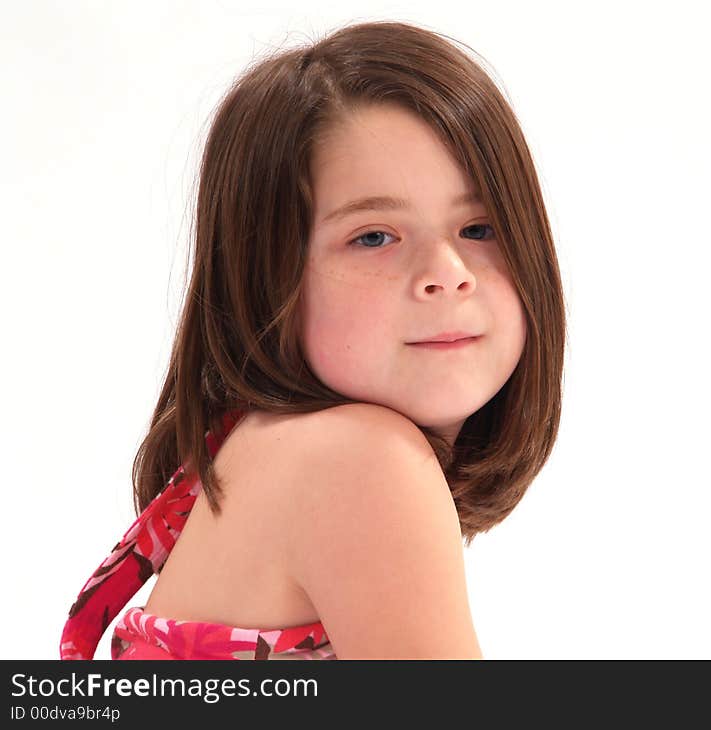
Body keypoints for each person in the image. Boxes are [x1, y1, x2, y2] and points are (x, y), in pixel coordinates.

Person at [59, 18, 567, 660]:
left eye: (480, 228)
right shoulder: (364, 460)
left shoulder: (257, 448)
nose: (448, 275)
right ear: (267, 277)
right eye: (375, 236)